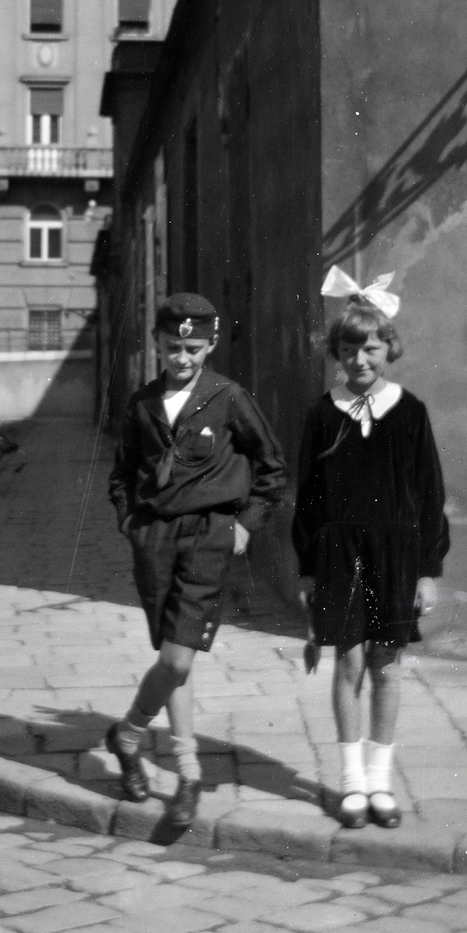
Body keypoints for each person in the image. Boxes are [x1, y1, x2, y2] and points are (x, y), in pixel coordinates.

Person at [108, 293, 286, 828]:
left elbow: (271, 467)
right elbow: (122, 475)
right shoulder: (142, 404)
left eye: (191, 348)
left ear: (209, 345)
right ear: (157, 344)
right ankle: (186, 774)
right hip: (156, 541)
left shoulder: (228, 398)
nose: (181, 358)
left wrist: (245, 526)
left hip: (209, 537)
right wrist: (131, 525)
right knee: (171, 657)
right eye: (171, 347)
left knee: (179, 659)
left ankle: (131, 736)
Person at [292, 268, 450, 831]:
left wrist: (428, 571)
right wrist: (307, 567)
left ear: (389, 350)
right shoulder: (321, 412)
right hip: (338, 552)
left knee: (387, 663)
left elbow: (430, 494)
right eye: (349, 348)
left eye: (372, 347)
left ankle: (381, 782)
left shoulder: (410, 413)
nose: (360, 359)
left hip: (396, 554)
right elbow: (307, 497)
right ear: (335, 351)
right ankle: (352, 781)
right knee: (349, 660)